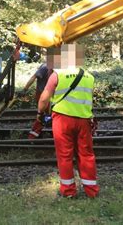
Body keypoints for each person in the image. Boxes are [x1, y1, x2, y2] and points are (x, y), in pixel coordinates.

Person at [37, 44, 99, 198]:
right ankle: (91, 191)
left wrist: (40, 113)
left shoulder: (57, 75)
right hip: (84, 120)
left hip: (63, 119)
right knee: (86, 155)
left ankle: (69, 191)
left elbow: (44, 99)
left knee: (64, 155)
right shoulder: (89, 76)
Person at [21, 55, 53, 139]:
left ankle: (42, 134)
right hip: (43, 94)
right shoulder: (45, 67)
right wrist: (25, 89)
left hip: (49, 94)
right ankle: (32, 136)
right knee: (43, 115)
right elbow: (33, 77)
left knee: (48, 115)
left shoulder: (55, 68)